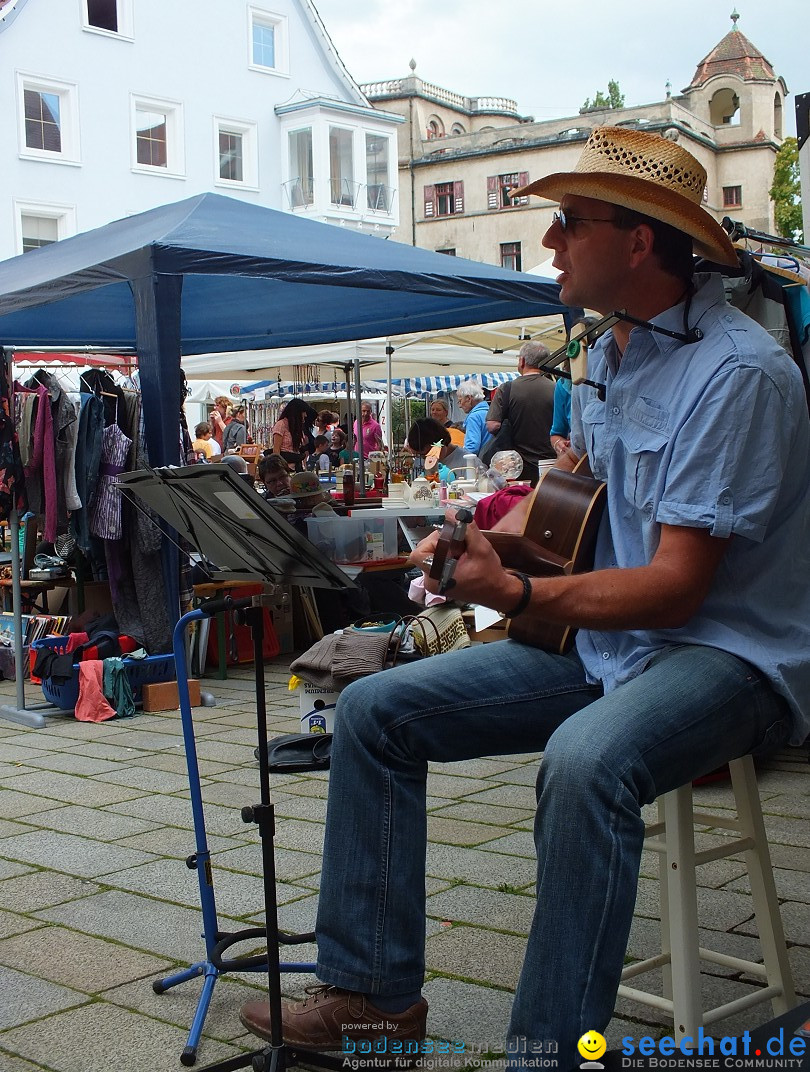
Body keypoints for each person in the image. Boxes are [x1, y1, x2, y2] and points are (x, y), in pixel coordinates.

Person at [238, 126, 810, 1066]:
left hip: (728, 656)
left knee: (586, 764)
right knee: (374, 709)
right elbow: (586, 521)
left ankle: (550, 1053)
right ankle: (370, 1000)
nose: (547, 243)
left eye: (566, 223)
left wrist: (516, 596)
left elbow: (675, 588)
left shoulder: (738, 373)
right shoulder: (616, 355)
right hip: (617, 648)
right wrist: (483, 541)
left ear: (638, 242)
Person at [485, 341, 556, 483]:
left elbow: (492, 425)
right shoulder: (556, 388)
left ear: (522, 361)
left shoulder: (507, 389)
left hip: (517, 467)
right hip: (551, 464)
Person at [550, 316, 599, 458]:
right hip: (580, 462)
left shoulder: (610, 376)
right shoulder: (564, 384)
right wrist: (559, 444)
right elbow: (556, 433)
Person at [406, 418, 472, 481]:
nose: (426, 460)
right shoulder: (419, 460)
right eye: (418, 455)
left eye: (426, 454)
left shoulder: (468, 462)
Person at [271, 398, 318, 471]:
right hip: (285, 467)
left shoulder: (297, 427)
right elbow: (276, 450)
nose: (305, 415)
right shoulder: (281, 425)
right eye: (303, 412)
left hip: (297, 466)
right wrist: (279, 468)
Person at [456, 380, 492, 456]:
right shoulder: (490, 412)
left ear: (468, 399)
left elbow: (472, 448)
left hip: (481, 462)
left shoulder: (474, 417)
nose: (460, 406)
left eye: (460, 401)